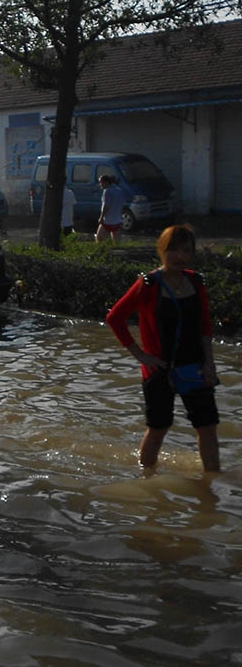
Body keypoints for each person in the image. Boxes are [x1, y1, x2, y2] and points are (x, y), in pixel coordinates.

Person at [105, 224, 220, 473]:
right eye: (174, 250)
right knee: (158, 429)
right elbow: (115, 318)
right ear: (162, 251)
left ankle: (213, 484)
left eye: (187, 251)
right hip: (159, 369)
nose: (181, 257)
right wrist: (141, 355)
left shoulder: (196, 282)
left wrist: (209, 363)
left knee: (207, 428)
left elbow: (205, 327)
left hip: (195, 366)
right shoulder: (148, 284)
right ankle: (147, 482)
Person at [95, 174, 123, 243]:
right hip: (117, 221)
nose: (100, 184)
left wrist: (101, 218)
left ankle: (101, 252)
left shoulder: (107, 191)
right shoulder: (119, 190)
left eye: (101, 182)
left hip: (107, 221)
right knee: (116, 243)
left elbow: (106, 206)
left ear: (106, 182)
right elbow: (121, 204)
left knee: (99, 239)